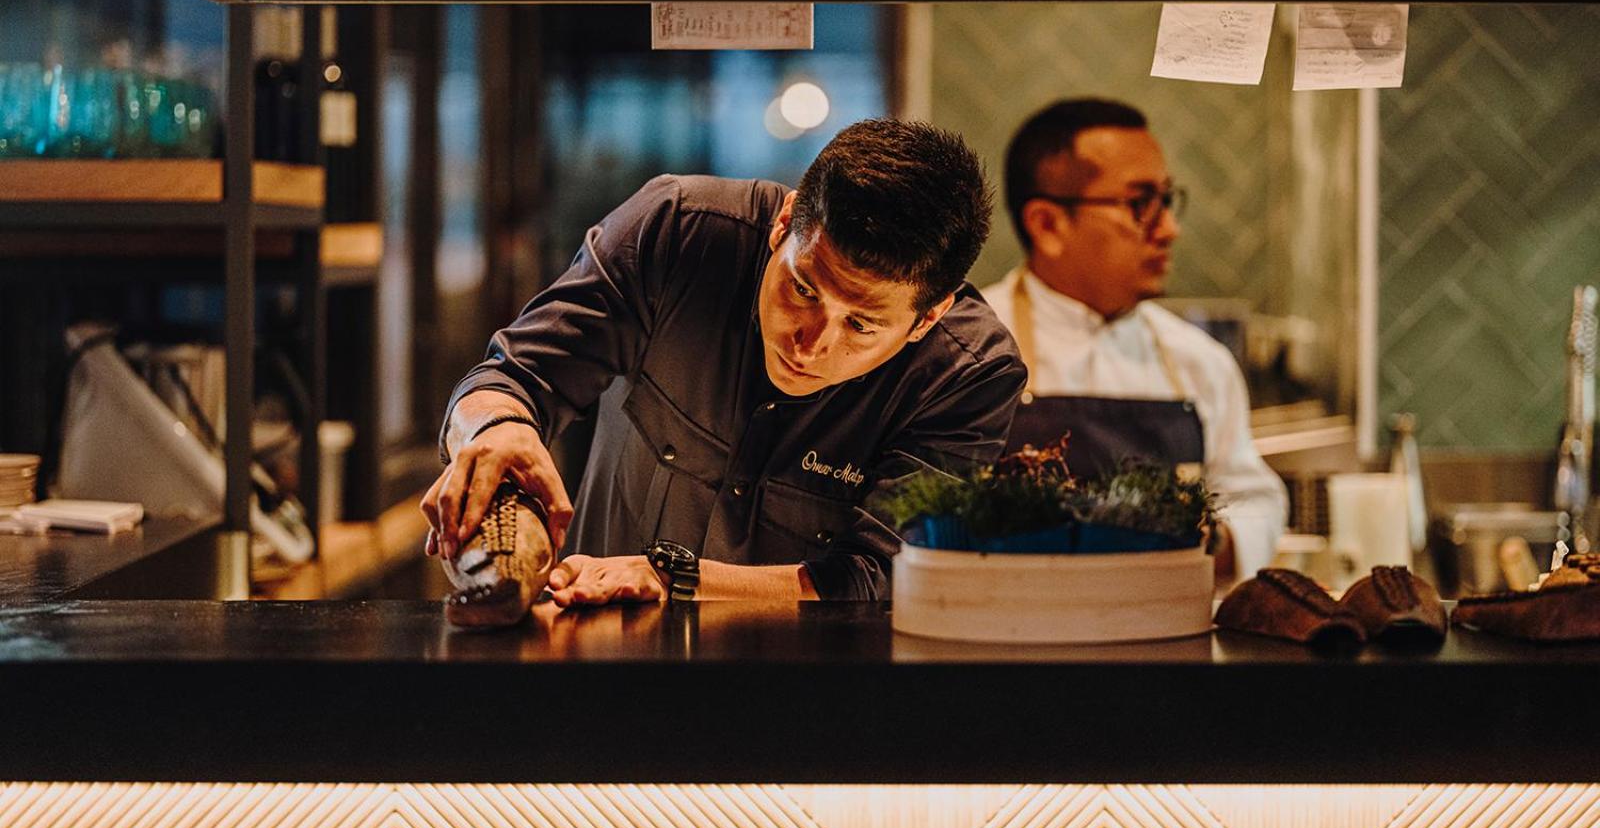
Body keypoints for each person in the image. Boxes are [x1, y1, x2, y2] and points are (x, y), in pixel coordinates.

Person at [424, 119, 1026, 607]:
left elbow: (886, 573)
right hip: (598, 661)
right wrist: (495, 427)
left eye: (861, 325)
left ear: (928, 317)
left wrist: (672, 578)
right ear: (786, 223)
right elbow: (517, 375)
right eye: (803, 289)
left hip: (817, 694)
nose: (810, 343)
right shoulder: (677, 230)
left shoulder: (968, 374)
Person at [981, 98, 1287, 579]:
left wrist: (1213, 538)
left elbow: (1253, 499)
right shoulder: (967, 348)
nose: (1170, 229)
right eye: (1140, 204)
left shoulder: (1199, 361)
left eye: (1167, 200)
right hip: (1007, 620)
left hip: (1164, 622)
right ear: (1047, 224)